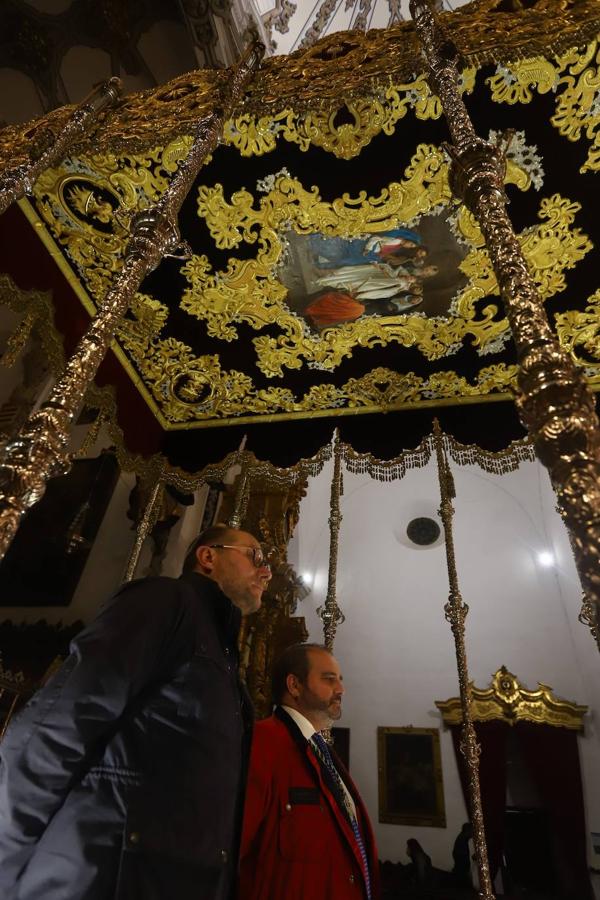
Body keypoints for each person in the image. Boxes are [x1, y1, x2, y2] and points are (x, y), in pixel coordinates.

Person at [0, 523, 271, 900]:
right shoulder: (168, 602)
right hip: (103, 873)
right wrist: (7, 858)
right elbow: (62, 720)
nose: (266, 570)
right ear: (208, 557)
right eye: (254, 556)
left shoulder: (223, 656)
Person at [239, 643, 379, 900]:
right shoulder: (263, 743)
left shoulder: (321, 750)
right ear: (294, 685)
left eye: (340, 680)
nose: (341, 690)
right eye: (329, 679)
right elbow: (234, 845)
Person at [452, 822, 473, 888]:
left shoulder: (462, 838)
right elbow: (462, 859)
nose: (472, 833)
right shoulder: (462, 840)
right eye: (471, 830)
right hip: (461, 874)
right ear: (467, 830)